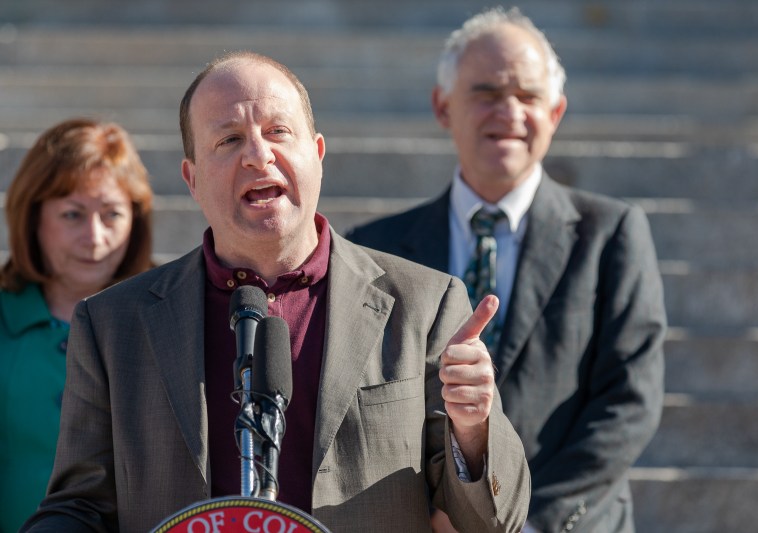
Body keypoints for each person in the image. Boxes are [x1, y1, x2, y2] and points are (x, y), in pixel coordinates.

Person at [22, 51, 530, 532]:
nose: (258, 155)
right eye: (228, 140)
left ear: (317, 153)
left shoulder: (425, 303)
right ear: (192, 179)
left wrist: (473, 430)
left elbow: (490, 521)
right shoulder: (114, 323)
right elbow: (80, 506)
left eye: (278, 132)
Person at [347, 6, 667, 533]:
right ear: (442, 106)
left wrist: (522, 522)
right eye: (488, 93)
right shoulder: (375, 249)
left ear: (556, 112)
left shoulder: (611, 235)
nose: (509, 111)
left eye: (528, 96)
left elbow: (629, 401)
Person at [0, 118, 154, 532]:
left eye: (112, 214)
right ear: (33, 218)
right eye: (72, 214)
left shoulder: (172, 317)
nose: (95, 236)